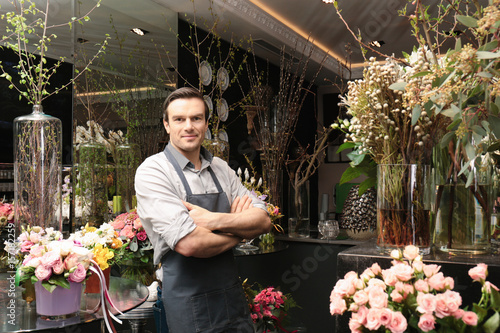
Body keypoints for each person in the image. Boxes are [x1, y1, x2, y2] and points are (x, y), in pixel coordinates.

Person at [135, 87, 272, 333]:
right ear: (167, 125)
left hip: (232, 299)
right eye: (179, 119)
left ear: (206, 123)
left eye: (196, 118)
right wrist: (240, 228)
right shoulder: (153, 171)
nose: (188, 126)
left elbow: (262, 220)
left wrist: (211, 219)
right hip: (188, 306)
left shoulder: (221, 168)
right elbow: (190, 244)